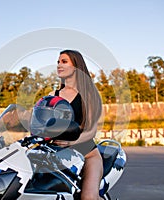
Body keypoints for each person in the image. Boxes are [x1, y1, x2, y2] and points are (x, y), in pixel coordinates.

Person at [49, 49, 103, 200]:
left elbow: (91, 131)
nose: (59, 65)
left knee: (88, 197)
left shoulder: (89, 94)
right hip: (57, 153)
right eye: (58, 62)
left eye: (64, 61)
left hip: (87, 153)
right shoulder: (53, 95)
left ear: (76, 67)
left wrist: (71, 141)